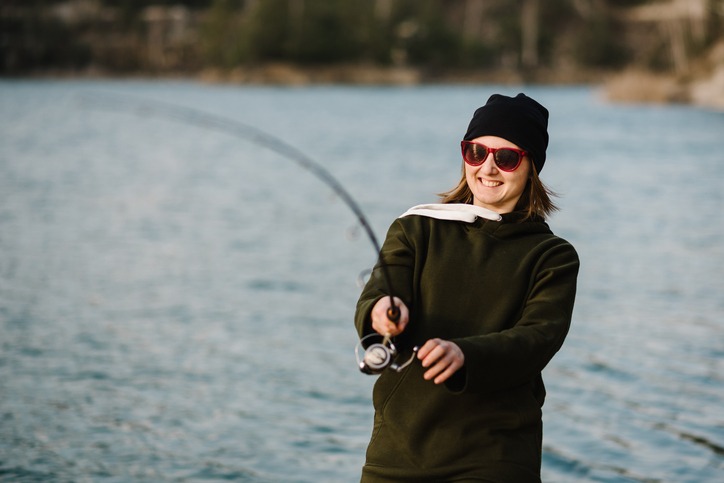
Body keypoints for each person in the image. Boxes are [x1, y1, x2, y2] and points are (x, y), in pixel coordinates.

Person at [354, 93, 580, 482]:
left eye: (506, 157)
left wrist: (464, 354)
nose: (488, 168)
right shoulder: (415, 227)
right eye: (476, 152)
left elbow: (538, 338)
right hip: (396, 454)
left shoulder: (552, 255)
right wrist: (382, 311)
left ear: (531, 168)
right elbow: (379, 292)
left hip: (496, 459)